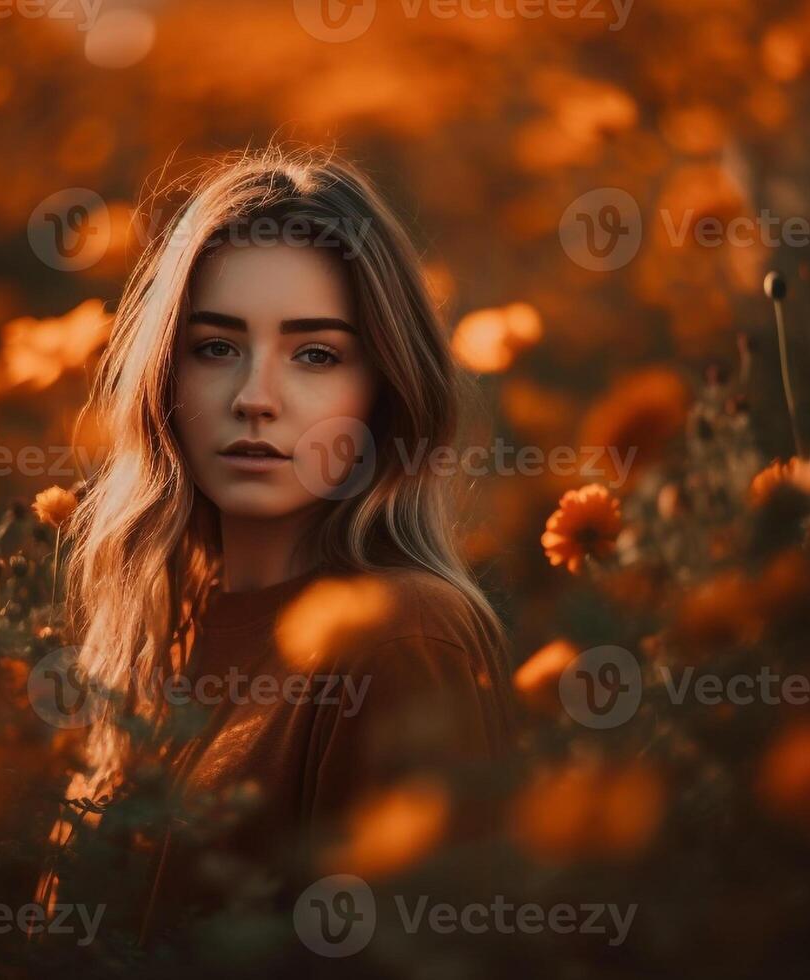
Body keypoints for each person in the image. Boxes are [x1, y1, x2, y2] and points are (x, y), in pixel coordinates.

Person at [35, 146, 517, 950]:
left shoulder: (402, 638)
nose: (255, 398)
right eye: (216, 347)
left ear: (384, 391)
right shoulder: (153, 640)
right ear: (165, 380)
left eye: (315, 354)